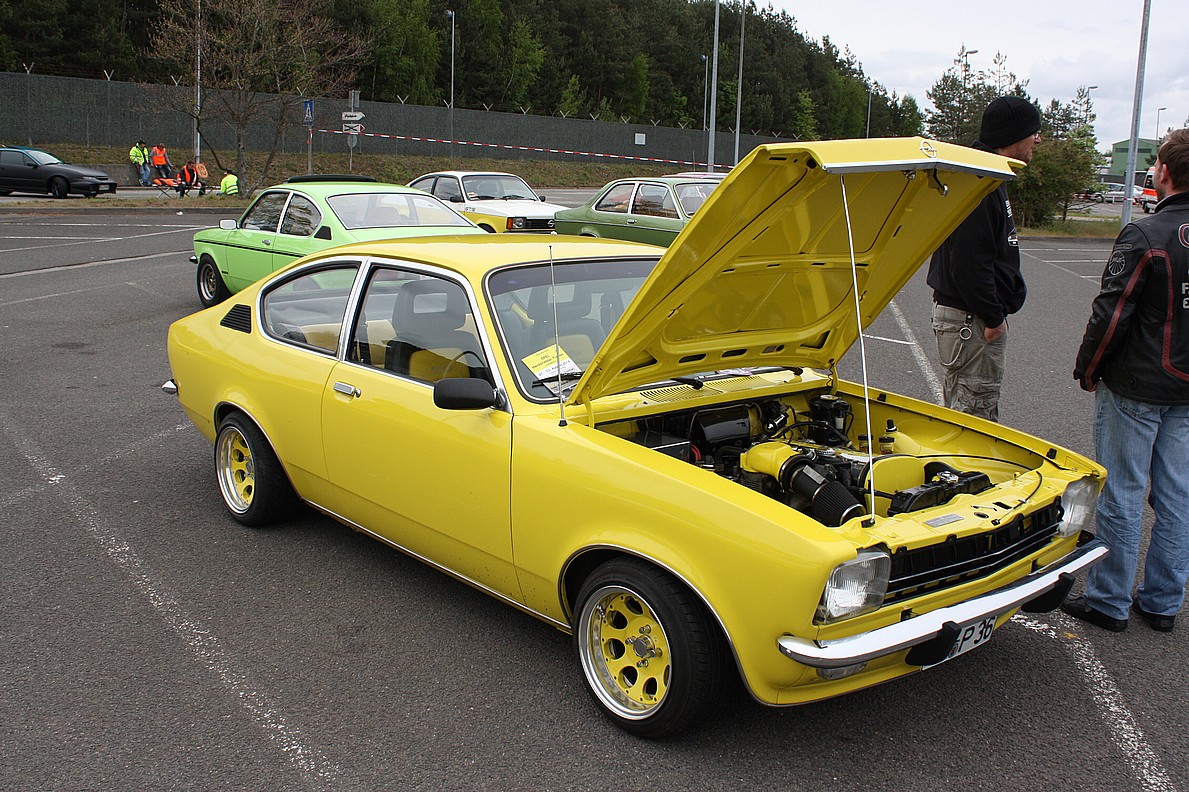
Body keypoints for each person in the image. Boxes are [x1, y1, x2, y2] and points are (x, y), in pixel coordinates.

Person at [1064, 128, 1189, 634]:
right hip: (1183, 389)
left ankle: (1110, 600)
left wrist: (1088, 367)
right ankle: (1162, 602)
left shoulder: (1146, 234)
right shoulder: (1151, 234)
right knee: (1177, 497)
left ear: (1164, 172)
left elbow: (1112, 312)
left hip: (1138, 385)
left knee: (1123, 493)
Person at [926, 96, 1042, 421]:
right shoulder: (979, 182)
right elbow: (968, 262)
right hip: (972, 320)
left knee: (967, 409)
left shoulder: (989, 176)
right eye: (1033, 132)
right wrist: (993, 319)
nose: (1038, 140)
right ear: (1012, 135)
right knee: (973, 418)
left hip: (972, 318)